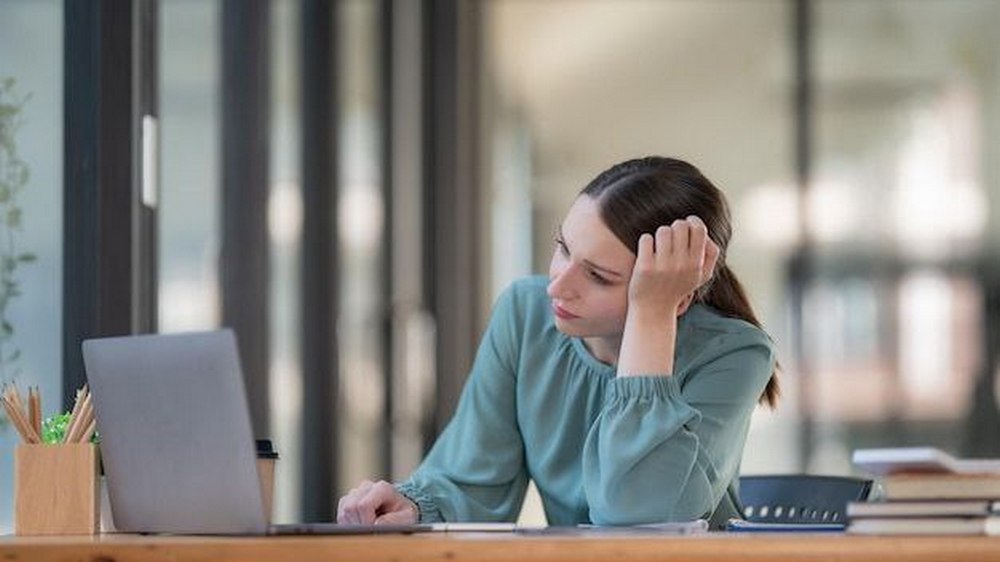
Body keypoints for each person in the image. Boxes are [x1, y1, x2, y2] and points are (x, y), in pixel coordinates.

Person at [337, 156, 779, 528]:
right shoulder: (525, 315)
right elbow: (474, 477)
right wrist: (413, 507)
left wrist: (652, 315)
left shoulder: (736, 353)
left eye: (598, 276)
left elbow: (642, 517)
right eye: (563, 249)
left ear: (676, 294)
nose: (558, 287)